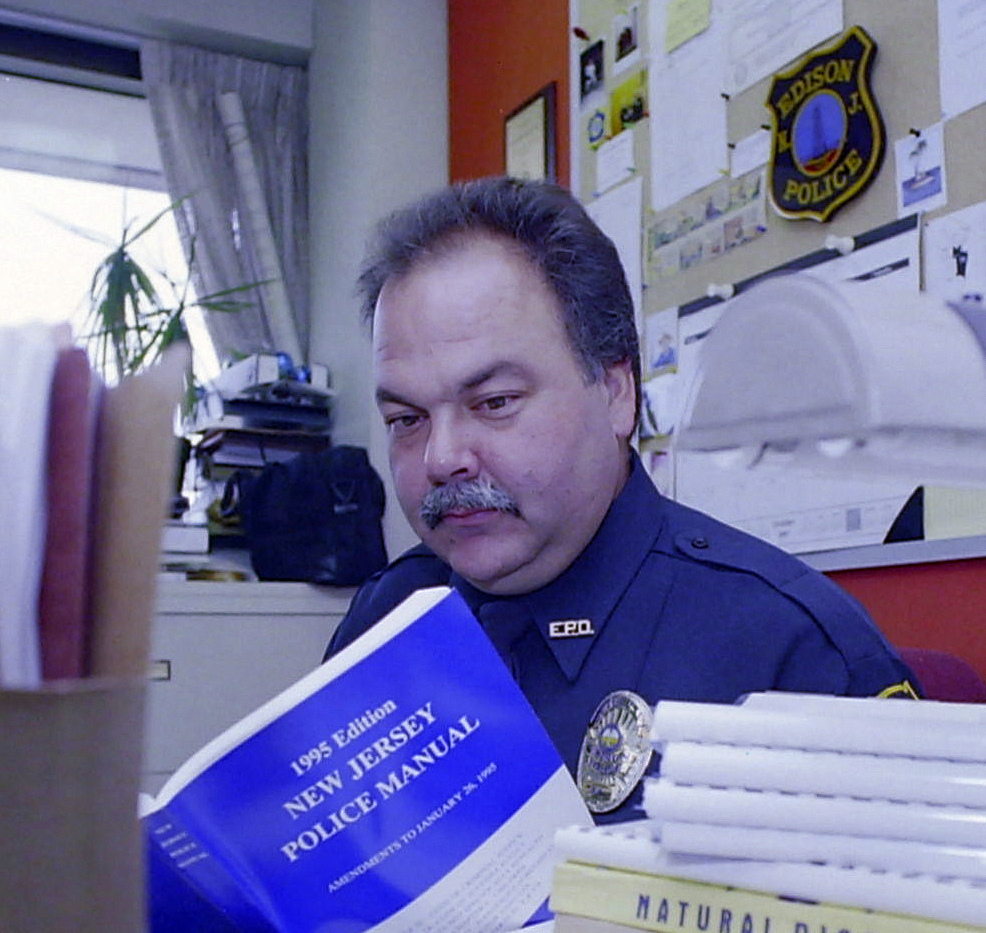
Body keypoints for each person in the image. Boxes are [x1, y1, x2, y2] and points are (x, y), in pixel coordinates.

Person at [326, 176, 916, 812]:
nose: (442, 459)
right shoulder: (387, 620)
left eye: (495, 402)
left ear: (616, 393)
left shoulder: (788, 650)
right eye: (407, 419)